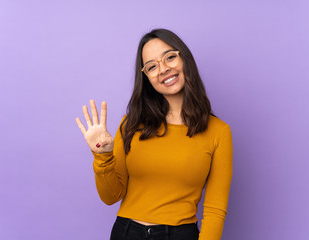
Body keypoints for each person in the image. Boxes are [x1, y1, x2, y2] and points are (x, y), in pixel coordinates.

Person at [75, 28, 233, 240]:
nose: (163, 69)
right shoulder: (131, 124)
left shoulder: (218, 132)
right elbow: (111, 196)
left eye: (169, 57)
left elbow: (215, 211)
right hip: (126, 232)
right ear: (147, 77)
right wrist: (103, 156)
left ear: (184, 58)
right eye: (151, 67)